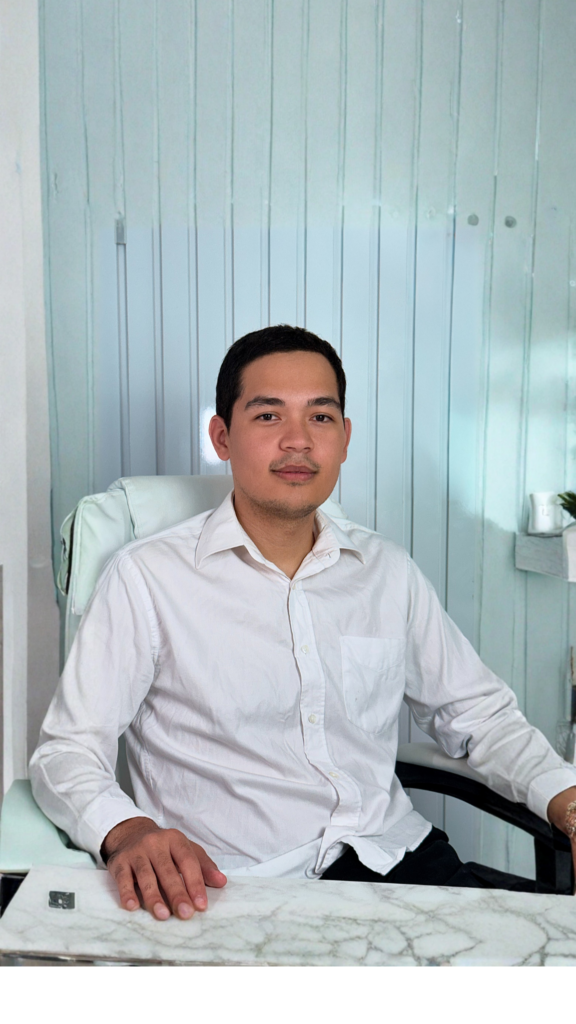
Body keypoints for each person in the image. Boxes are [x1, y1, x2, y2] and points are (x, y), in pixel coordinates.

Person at [30, 325, 576, 921]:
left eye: (320, 417)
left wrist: (568, 801)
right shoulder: (146, 578)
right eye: (268, 416)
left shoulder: (387, 571)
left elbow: (479, 716)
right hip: (234, 886)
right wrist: (128, 830)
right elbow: (68, 751)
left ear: (344, 438)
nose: (298, 441)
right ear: (222, 437)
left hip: (396, 857)